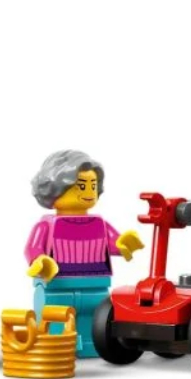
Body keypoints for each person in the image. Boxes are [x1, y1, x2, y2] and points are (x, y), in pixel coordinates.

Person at [26, 150, 143, 358]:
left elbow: (113, 243)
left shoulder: (99, 224)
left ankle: (91, 346)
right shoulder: (47, 225)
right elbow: (32, 248)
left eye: (92, 186)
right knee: (56, 318)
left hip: (96, 283)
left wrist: (124, 244)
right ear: (54, 189)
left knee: (96, 319)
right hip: (56, 285)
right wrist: (40, 261)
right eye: (81, 186)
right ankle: (57, 348)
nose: (89, 192)